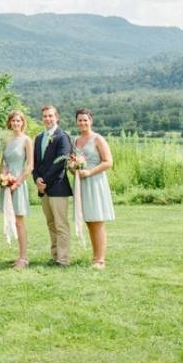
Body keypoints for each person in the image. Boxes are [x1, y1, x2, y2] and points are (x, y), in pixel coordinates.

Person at [72, 108, 114, 269]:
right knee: (89, 220)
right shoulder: (75, 140)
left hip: (95, 182)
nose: (82, 123)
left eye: (85, 120)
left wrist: (89, 171)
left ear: (91, 121)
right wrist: (73, 168)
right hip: (81, 184)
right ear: (76, 122)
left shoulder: (98, 139)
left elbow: (108, 162)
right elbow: (73, 160)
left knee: (97, 220)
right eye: (80, 120)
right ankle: (95, 257)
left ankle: (100, 260)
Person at [33, 104, 72, 266]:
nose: (48, 119)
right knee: (50, 223)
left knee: (60, 224)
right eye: (45, 116)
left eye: (51, 116)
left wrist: (45, 181)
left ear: (57, 117)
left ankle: (63, 259)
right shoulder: (39, 138)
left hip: (57, 187)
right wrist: (36, 179)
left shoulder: (63, 137)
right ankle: (55, 255)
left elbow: (61, 162)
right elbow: (34, 162)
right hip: (43, 187)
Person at [0, 110, 33, 270]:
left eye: (18, 121)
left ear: (23, 122)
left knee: (19, 221)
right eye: (13, 121)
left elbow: (29, 166)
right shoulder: (7, 141)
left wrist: (16, 183)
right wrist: (2, 178)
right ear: (10, 123)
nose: (16, 123)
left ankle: (23, 257)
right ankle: (18, 255)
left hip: (18, 184)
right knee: (11, 218)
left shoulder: (26, 140)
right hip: (7, 184)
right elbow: (3, 163)